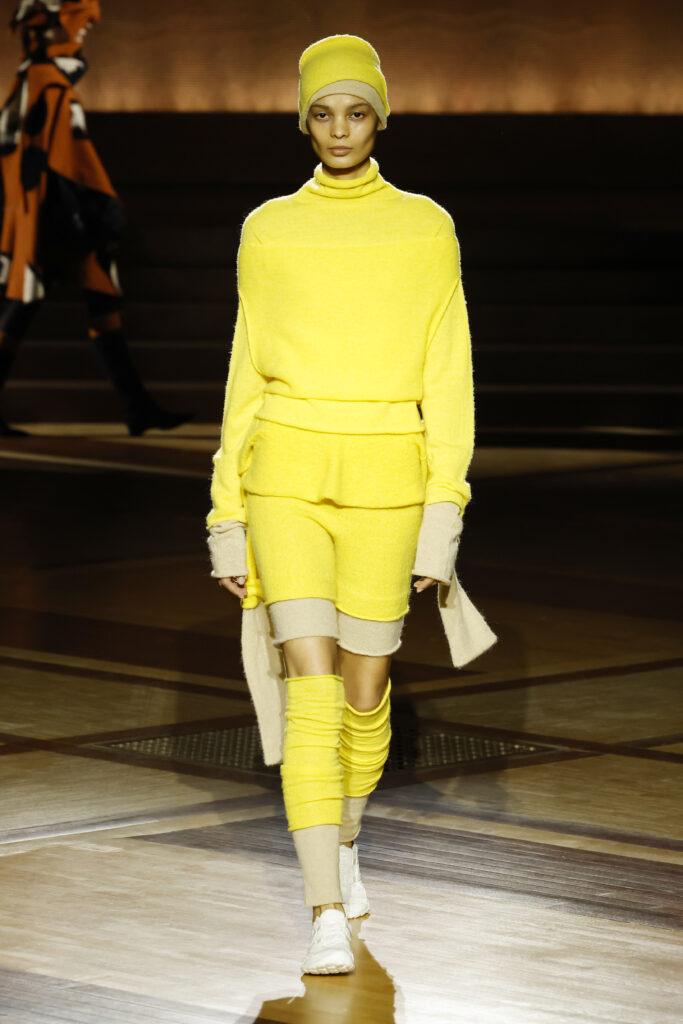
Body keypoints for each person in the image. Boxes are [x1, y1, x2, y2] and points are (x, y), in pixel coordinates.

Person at [207, 34, 496, 976]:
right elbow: (245, 371)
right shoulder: (267, 229)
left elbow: (447, 376)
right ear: (304, 122)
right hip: (283, 477)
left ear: (380, 118)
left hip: (388, 483)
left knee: (366, 696)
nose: (339, 129)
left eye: (356, 111)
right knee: (311, 689)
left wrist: (441, 517)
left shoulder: (425, 228)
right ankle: (323, 905)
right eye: (322, 113)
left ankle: (345, 838)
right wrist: (226, 513)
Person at [0, 1, 191, 437]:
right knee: (36, 302)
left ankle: (137, 407)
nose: (83, 30)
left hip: (58, 213)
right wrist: (87, 211)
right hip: (61, 216)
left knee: (90, 300)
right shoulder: (45, 80)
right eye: (76, 21)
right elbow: (45, 161)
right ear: (49, 27)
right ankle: (137, 407)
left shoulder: (36, 78)